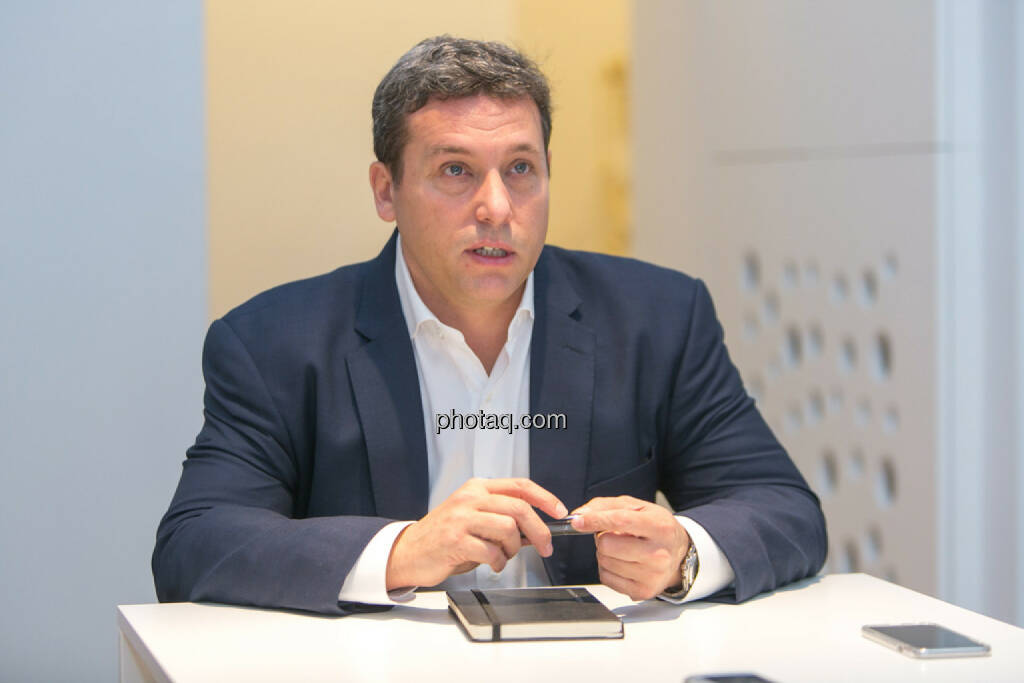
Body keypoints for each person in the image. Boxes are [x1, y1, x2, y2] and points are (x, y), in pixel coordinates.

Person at [153, 35, 826, 615]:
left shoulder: (657, 319)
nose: (497, 208)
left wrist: (684, 554)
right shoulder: (274, 343)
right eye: (456, 171)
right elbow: (197, 541)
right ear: (386, 190)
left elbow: (782, 507)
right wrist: (400, 551)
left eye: (521, 169)